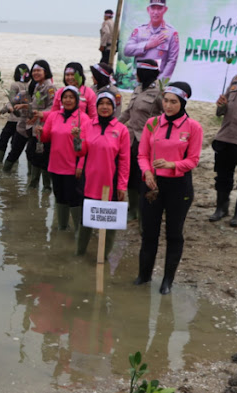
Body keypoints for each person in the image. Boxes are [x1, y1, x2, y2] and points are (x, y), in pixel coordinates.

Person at [135, 82, 203, 295]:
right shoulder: (152, 123)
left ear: (182, 103)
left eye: (174, 102)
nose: (168, 105)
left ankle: (167, 281)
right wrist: (147, 172)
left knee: (174, 234)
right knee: (149, 233)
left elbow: (193, 160)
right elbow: (142, 154)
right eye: (166, 101)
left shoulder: (193, 127)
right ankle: (144, 276)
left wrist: (172, 164)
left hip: (179, 187)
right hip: (152, 185)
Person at [75, 92, 130, 256]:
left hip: (110, 182)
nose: (104, 107)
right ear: (96, 106)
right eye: (101, 103)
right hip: (90, 180)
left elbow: (125, 161)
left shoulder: (121, 130)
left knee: (108, 221)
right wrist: (76, 139)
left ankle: (103, 256)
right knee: (86, 219)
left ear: (114, 107)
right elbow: (80, 152)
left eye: (108, 104)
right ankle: (80, 254)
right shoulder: (88, 125)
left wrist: (122, 185)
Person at [39, 86, 92, 231]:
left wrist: (80, 165)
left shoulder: (84, 119)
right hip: (55, 165)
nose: (68, 100)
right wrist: (40, 132)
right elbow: (46, 138)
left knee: (74, 199)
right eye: (65, 97)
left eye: (71, 97)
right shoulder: (54, 116)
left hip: (73, 166)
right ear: (61, 99)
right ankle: (62, 227)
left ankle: (78, 230)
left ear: (76, 100)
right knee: (60, 197)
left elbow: (86, 146)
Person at [119, 59, 163, 223]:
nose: (135, 74)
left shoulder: (159, 92)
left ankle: (145, 207)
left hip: (148, 140)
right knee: (130, 175)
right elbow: (128, 112)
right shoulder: (137, 89)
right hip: (131, 139)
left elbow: (166, 116)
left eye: (138, 71)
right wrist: (113, 126)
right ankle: (133, 209)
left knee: (143, 175)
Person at [210, 43, 237, 226]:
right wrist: (221, 104)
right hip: (225, 137)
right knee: (223, 175)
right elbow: (220, 113)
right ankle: (221, 208)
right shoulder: (236, 78)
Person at [3, 60, 56, 182]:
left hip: (42, 127)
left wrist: (36, 112)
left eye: (39, 70)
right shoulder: (36, 86)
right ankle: (27, 184)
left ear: (45, 71)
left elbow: (53, 107)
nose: (36, 73)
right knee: (29, 153)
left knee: (39, 155)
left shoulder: (50, 87)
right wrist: (22, 106)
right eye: (34, 71)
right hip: (29, 125)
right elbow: (17, 100)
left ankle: (43, 186)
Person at [124, 0, 179, 81]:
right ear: (148, 9)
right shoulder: (139, 30)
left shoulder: (171, 33)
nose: (156, 12)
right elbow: (127, 51)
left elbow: (172, 60)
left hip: (157, 79)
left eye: (159, 8)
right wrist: (147, 45)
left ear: (165, 9)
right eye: (153, 8)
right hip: (139, 79)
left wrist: (160, 82)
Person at [0, 64, 31, 163]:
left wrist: (1, 111)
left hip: (13, 119)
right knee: (15, 144)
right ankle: (12, 167)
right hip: (25, 120)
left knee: (3, 139)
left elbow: (12, 102)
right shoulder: (30, 86)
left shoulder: (15, 85)